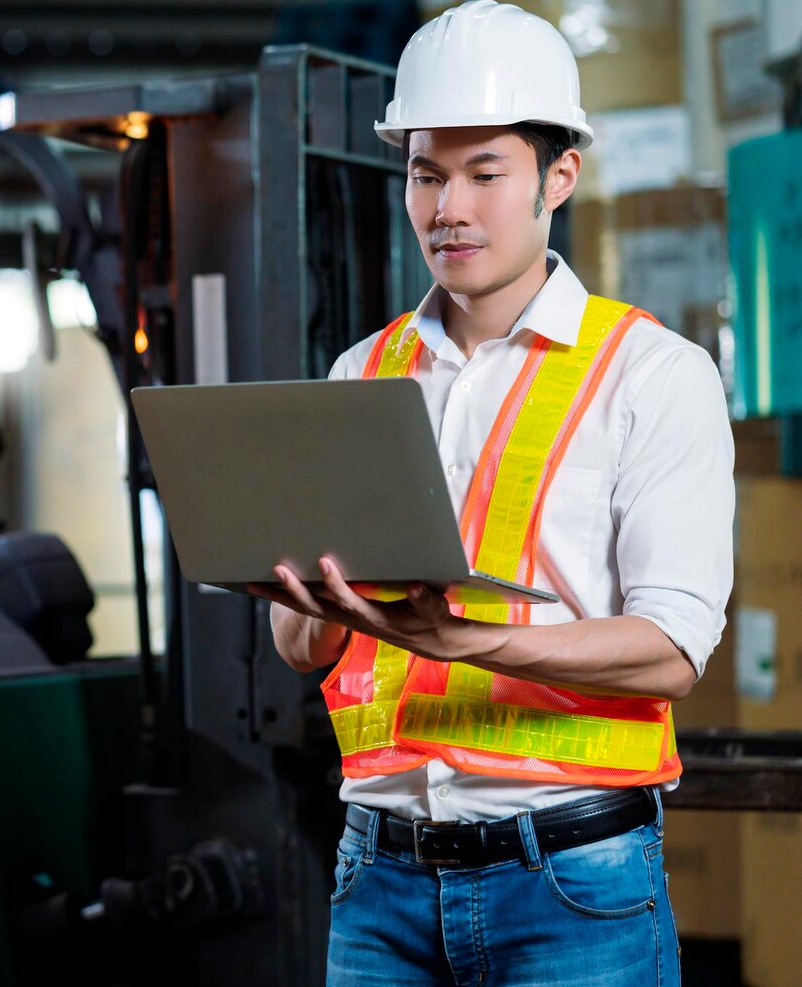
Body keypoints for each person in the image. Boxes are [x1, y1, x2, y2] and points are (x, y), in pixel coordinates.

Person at [250, 3, 732, 984]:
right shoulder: (360, 372)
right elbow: (303, 651)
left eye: (483, 174)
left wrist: (465, 641)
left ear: (560, 176)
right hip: (375, 874)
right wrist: (302, 602)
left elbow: (673, 646)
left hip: (569, 880)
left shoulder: (650, 372)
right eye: (425, 174)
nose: (447, 208)